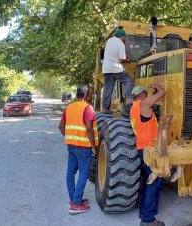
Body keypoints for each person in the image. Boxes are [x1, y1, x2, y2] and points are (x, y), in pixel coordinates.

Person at [58, 85, 99, 215]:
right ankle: (76, 204)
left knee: (70, 172)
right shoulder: (88, 108)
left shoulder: (69, 107)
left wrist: (70, 138)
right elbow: (88, 129)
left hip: (71, 146)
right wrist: (93, 146)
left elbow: (60, 126)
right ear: (87, 95)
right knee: (83, 174)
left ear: (77, 94)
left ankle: (74, 199)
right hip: (83, 147)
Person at [130, 85, 166, 226]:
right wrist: (156, 86)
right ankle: (148, 220)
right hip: (150, 150)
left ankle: (145, 214)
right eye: (147, 93)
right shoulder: (143, 104)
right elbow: (163, 92)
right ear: (143, 94)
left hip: (142, 148)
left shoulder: (133, 107)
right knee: (153, 183)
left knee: (148, 181)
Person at [102, 28, 133, 114]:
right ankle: (129, 100)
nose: (124, 39)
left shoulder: (109, 41)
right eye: (124, 37)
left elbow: (113, 54)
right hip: (115, 68)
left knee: (108, 88)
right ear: (121, 37)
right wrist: (128, 59)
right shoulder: (120, 44)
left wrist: (124, 57)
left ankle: (105, 108)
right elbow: (121, 60)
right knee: (128, 80)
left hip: (106, 68)